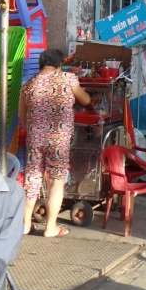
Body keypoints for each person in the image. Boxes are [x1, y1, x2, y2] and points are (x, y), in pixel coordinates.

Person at [19, 48, 93, 237]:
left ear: (41, 65)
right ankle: (51, 227)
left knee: (32, 180)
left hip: (35, 139)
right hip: (58, 140)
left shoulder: (29, 85)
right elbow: (85, 100)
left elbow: (22, 115)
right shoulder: (67, 79)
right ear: (59, 64)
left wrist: (35, 132)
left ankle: (25, 225)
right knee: (56, 180)